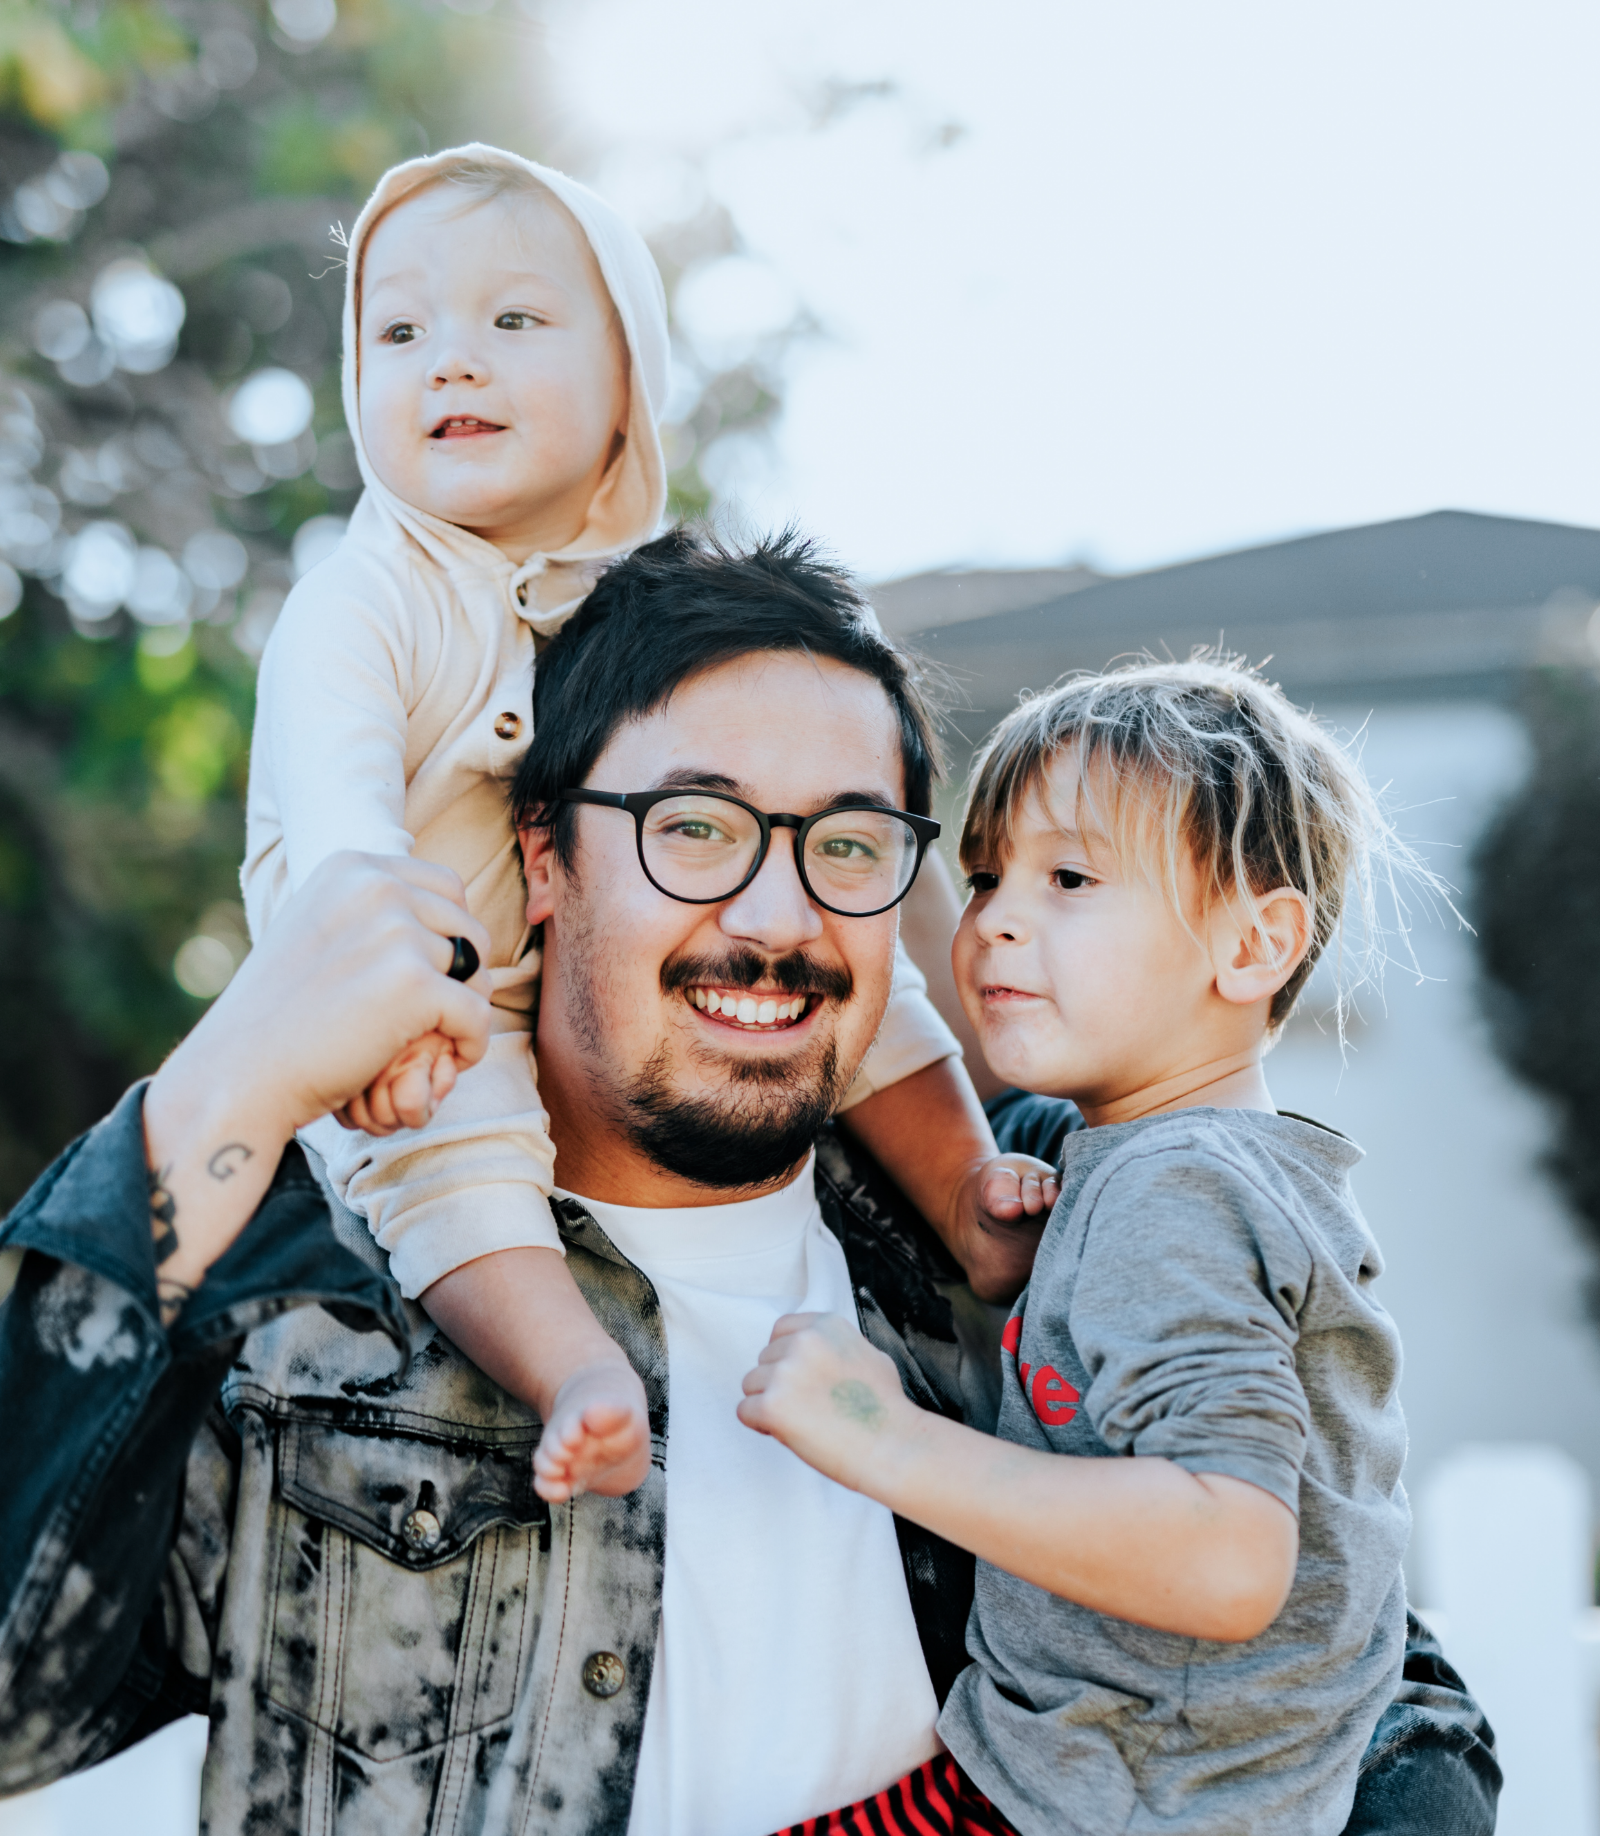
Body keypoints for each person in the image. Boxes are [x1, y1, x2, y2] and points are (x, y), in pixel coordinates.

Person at [0, 540, 1498, 1834]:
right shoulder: (302, 1286)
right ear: (542, 860)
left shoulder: (1027, 1218)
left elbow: (1363, 1671)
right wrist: (227, 1083)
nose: (776, 915)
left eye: (848, 845)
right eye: (695, 830)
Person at [242, 144, 1042, 1506]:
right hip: (411, 1006)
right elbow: (340, 833)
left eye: (512, 321)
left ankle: (970, 1195)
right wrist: (389, 1010)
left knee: (865, 971)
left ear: (630, 386)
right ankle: (574, 1370)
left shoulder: (648, 609)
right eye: (399, 330)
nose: (452, 361)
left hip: (543, 982)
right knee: (455, 1165)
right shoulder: (366, 598)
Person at [742, 656, 1441, 1834]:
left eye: (1068, 876)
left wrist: (879, 1437)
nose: (997, 917)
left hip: (1102, 1797)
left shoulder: (1171, 1190)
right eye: (982, 875)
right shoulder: (1197, 1167)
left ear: (1255, 945)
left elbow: (1228, 1556)